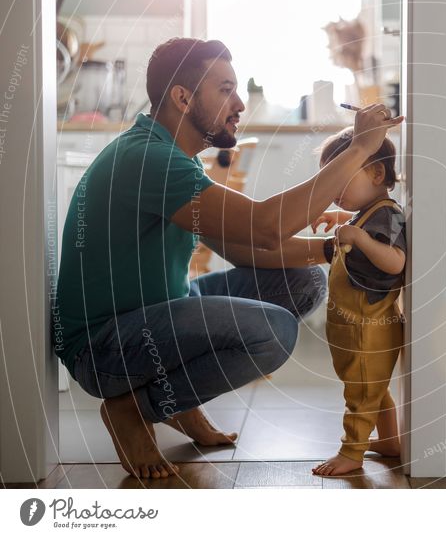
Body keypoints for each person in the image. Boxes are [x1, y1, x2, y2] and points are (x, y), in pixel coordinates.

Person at [52, 37, 403, 479]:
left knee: (305, 280)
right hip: (103, 344)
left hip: (154, 314)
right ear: (183, 98)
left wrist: (332, 248)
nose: (239, 103)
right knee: (271, 331)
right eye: (225, 90)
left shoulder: (175, 159)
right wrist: (358, 149)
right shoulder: (148, 160)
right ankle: (135, 407)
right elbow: (263, 226)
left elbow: (241, 248)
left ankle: (179, 403)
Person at [309, 127, 407, 476]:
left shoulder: (389, 213)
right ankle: (391, 441)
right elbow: (364, 230)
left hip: (371, 326)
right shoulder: (371, 212)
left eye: (340, 183)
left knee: (362, 393)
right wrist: (344, 222)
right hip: (355, 325)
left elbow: (396, 261)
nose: (333, 194)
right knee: (374, 390)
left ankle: (352, 452)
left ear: (376, 173)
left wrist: (360, 239)